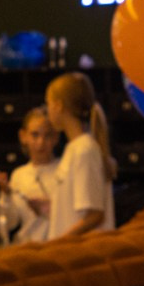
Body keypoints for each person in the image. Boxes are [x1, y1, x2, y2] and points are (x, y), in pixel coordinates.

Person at [43, 72, 115, 239]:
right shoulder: (75, 148)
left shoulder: (84, 150)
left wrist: (58, 244)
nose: (47, 111)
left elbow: (95, 215)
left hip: (79, 252)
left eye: (48, 104)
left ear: (58, 106)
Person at [0, 107, 58, 243]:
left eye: (47, 135)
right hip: (27, 245)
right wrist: (5, 194)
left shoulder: (64, 169)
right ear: (23, 136)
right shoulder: (19, 175)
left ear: (56, 137)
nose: (41, 142)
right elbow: (10, 223)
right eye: (35, 135)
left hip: (56, 244)